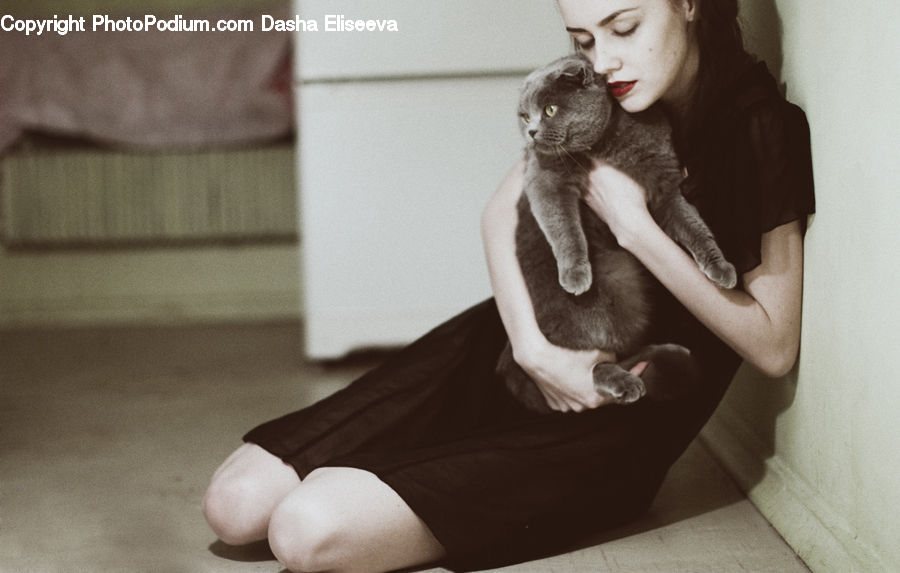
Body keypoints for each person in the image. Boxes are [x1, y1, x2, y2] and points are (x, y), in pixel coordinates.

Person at [202, 0, 815, 571]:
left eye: (623, 28)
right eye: (582, 38)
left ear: (688, 5)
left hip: (609, 412)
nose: (602, 60)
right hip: (515, 344)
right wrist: (532, 349)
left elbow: (773, 344)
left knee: (305, 531)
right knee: (233, 506)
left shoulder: (762, 127)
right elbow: (500, 214)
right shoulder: (604, 89)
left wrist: (635, 226)